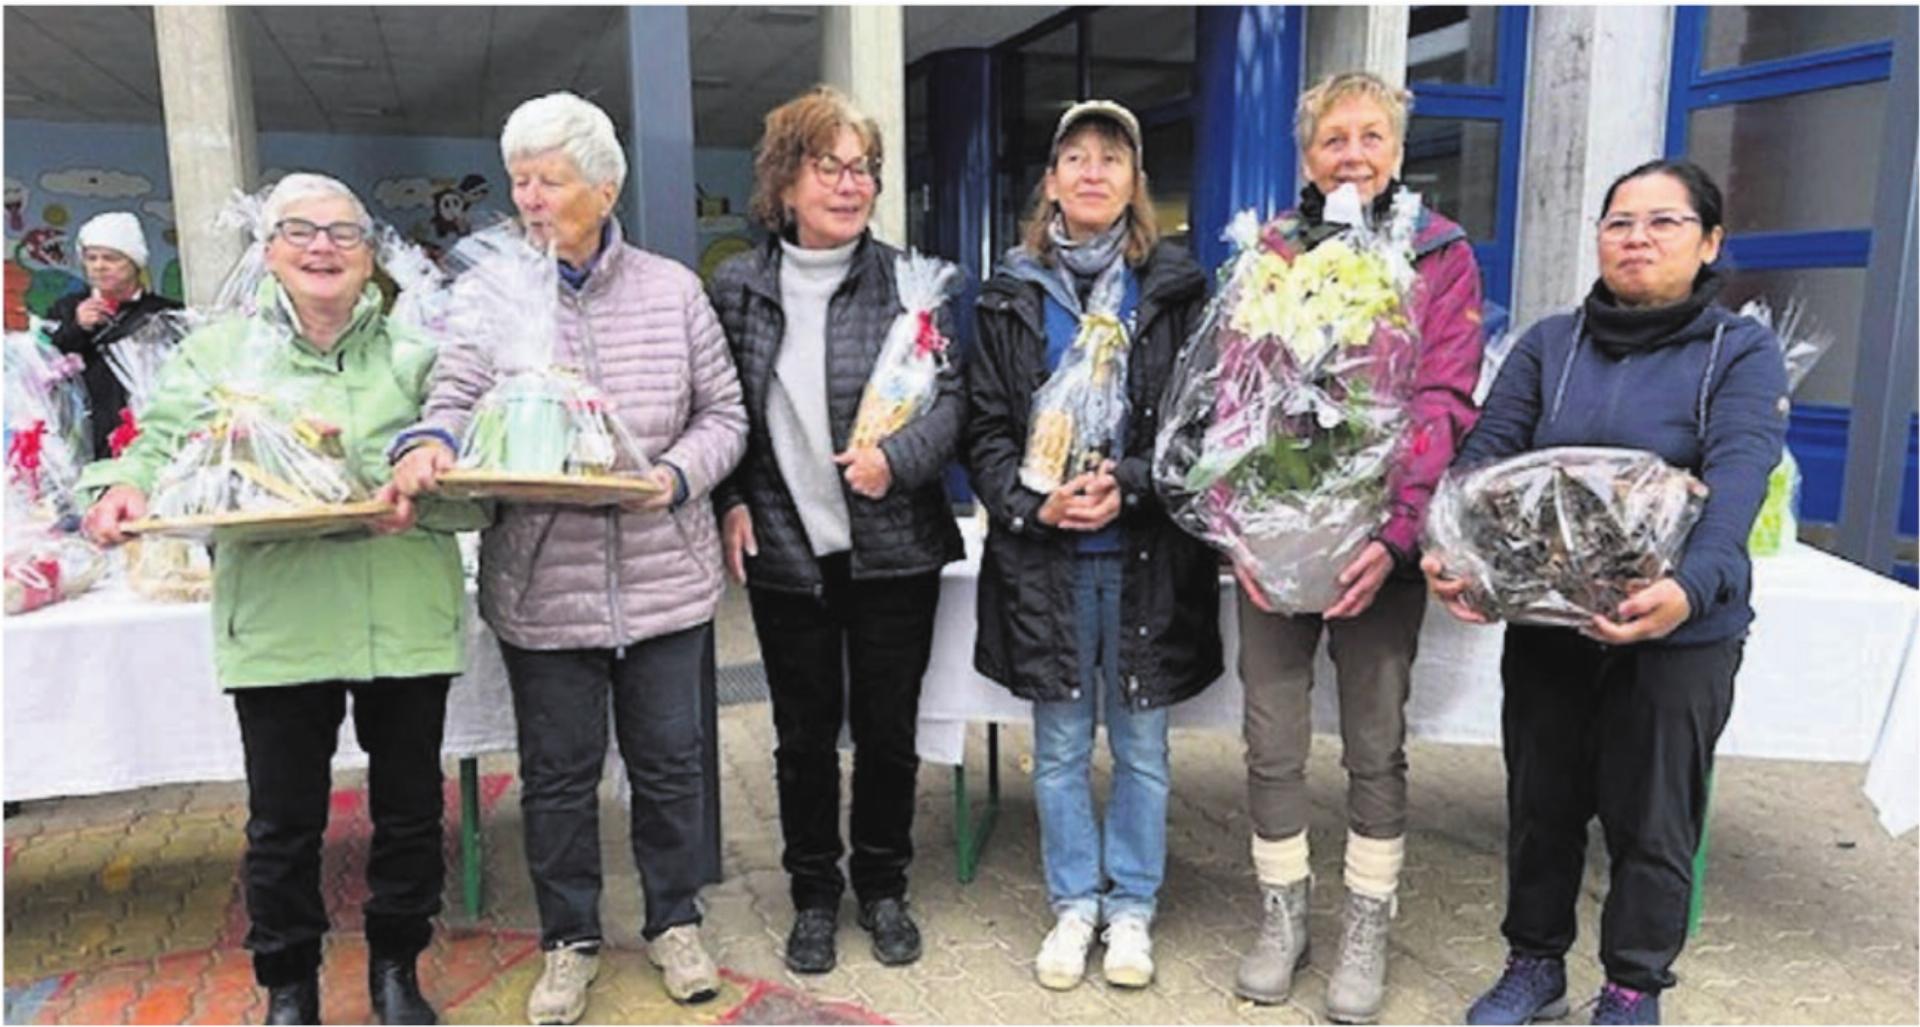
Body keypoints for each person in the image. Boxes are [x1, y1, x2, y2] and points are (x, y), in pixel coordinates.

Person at [79, 173, 479, 1026]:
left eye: (343, 232)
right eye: (300, 230)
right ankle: (289, 985)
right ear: (268, 252)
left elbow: (474, 485)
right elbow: (158, 443)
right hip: (279, 619)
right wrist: (122, 487)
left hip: (402, 613)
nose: (322, 247)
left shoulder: (420, 358)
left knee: (409, 814)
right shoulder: (220, 355)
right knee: (284, 823)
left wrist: (415, 495)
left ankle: (397, 970)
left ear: (371, 255)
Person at [388, 91, 747, 1023]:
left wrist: (672, 476)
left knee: (672, 766)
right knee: (556, 774)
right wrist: (427, 440)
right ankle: (569, 938)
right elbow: (455, 390)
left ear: (606, 184)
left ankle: (675, 920)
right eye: (519, 179)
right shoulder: (495, 289)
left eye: (550, 177)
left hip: (664, 577)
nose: (531, 196)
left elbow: (726, 416)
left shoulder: (672, 290)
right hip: (542, 583)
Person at [1428, 159, 1786, 1027]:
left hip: (1680, 628)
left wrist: (1689, 589)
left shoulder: (1737, 350)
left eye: (1664, 223)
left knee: (1653, 816)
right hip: (1551, 621)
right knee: (1542, 801)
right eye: (1620, 221)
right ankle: (1534, 962)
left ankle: (1632, 985)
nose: (1637, 238)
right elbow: (1485, 458)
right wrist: (1455, 554)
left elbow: (1739, 477)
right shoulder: (1552, 343)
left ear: (1709, 243)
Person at [1227, 71, 1485, 1024]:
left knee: (1375, 741)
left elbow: (1445, 398)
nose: (1352, 155)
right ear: (1307, 156)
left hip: (1383, 540)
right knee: (1271, 737)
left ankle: (1366, 920)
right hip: (1279, 536)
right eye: (1333, 139)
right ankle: (1281, 913)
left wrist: (1399, 531)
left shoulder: (1439, 253)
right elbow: (1233, 396)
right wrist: (1236, 527)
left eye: (1370, 137)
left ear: (1397, 151)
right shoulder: (1273, 252)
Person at [965, 99, 1222, 992]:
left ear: (1134, 183)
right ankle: (1077, 903)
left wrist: (1135, 482)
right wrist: (1038, 506)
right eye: (1074, 156)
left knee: (1145, 748)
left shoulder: (1180, 292)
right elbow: (986, 431)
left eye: (1111, 158)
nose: (1092, 171)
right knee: (1065, 746)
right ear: (1050, 183)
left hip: (1147, 559)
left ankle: (1136, 908)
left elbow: (1206, 425)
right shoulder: (1006, 295)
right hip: (1048, 563)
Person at [707, 84, 964, 976]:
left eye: (864, 168)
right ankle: (814, 893)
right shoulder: (737, 285)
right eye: (830, 166)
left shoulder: (908, 281)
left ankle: (884, 886)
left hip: (895, 546)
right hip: (787, 546)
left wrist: (900, 459)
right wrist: (730, 499)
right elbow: (722, 406)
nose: (851, 185)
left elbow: (952, 400)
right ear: (785, 181)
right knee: (802, 736)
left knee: (888, 731)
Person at [47, 212, 183, 458]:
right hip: (86, 437)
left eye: (111, 258)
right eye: (91, 258)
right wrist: (77, 327)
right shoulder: (66, 308)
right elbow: (47, 366)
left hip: (150, 435)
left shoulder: (165, 313)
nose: (99, 266)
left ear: (134, 263)